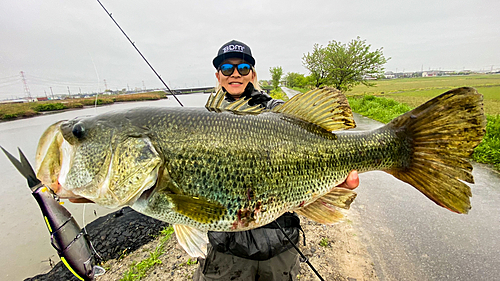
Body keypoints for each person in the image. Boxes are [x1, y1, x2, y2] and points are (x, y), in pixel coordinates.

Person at [193, 40, 359, 281]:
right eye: (228, 69)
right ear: (218, 76)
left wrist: (329, 184)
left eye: (243, 67)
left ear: (252, 73)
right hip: (226, 250)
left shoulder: (277, 111)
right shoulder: (203, 122)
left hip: (278, 246)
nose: (235, 74)